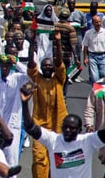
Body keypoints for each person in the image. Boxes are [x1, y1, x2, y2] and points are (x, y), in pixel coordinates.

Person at [22, 83, 105, 178]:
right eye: (66, 127)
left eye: (72, 128)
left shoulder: (88, 141)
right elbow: (30, 127)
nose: (68, 130)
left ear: (79, 130)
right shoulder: (53, 140)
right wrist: (25, 103)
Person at [27, 31, 67, 178]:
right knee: (39, 158)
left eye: (50, 66)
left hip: (58, 125)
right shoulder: (36, 78)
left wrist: (58, 42)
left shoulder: (59, 79)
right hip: (40, 126)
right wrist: (32, 42)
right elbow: (31, 63)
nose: (48, 67)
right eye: (45, 66)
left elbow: (59, 63)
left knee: (57, 159)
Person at [0, 54, 30, 168]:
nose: (4, 68)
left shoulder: (18, 78)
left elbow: (32, 76)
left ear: (11, 66)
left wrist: (18, 63)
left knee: (11, 159)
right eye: (2, 65)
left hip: (12, 124)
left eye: (7, 65)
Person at [82, 15, 105, 83]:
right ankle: (96, 91)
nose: (98, 24)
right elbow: (85, 46)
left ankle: (103, 91)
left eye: (99, 22)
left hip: (104, 56)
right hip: (92, 56)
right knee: (94, 77)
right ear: (93, 23)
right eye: (96, 22)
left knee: (104, 75)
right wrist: (85, 58)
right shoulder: (88, 33)